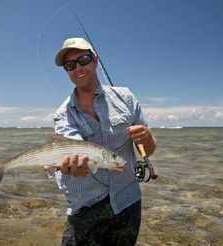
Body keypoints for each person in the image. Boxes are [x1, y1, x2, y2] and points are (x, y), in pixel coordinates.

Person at [53, 37, 156, 246]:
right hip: (86, 206)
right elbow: (76, 152)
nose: (78, 68)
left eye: (83, 59)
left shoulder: (125, 97)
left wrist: (148, 138)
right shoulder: (63, 114)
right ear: (66, 71)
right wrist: (75, 166)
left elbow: (147, 150)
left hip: (127, 200)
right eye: (70, 65)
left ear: (95, 60)